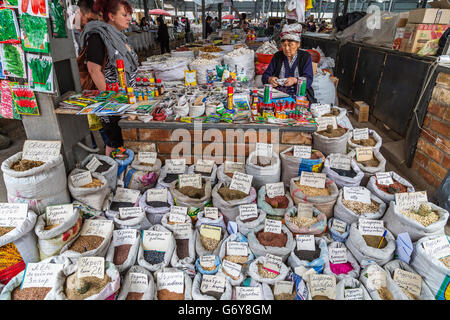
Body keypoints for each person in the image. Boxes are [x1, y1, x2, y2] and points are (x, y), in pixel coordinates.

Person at [80, 0, 139, 156]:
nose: (129, 18)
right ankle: (113, 173)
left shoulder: (119, 37)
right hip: (112, 102)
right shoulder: (98, 36)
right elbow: (93, 70)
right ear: (111, 16)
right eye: (124, 14)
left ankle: (122, 171)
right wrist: (112, 99)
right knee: (114, 142)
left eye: (130, 15)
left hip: (126, 99)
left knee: (124, 141)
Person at [262, 23, 316, 102]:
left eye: (290, 45)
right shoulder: (277, 56)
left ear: (298, 44)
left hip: (300, 95)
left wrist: (295, 80)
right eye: (284, 45)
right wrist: (270, 79)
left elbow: (308, 80)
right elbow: (265, 75)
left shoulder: (305, 57)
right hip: (279, 95)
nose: (287, 48)